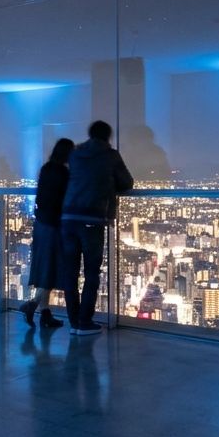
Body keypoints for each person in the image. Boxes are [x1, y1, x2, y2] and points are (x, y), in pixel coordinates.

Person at [60, 120, 134, 336]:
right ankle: (85, 321)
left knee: (71, 272)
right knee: (92, 272)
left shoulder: (75, 154)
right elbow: (127, 182)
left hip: (68, 217)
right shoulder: (110, 155)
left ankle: (74, 321)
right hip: (91, 217)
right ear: (107, 136)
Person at [19, 138, 75, 329]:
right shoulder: (63, 173)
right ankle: (33, 305)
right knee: (50, 270)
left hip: (41, 223)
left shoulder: (46, 168)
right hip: (54, 226)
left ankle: (44, 314)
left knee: (44, 268)